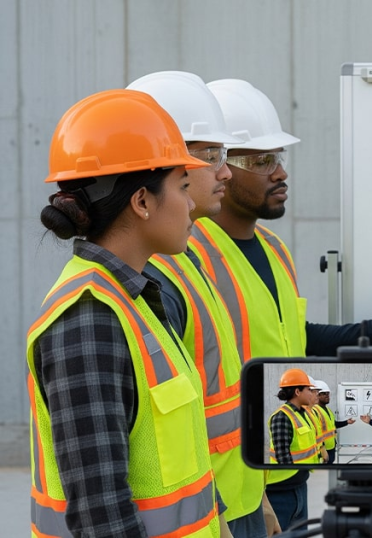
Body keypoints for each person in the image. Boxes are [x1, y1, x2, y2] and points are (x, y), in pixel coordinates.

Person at [195, 78, 372, 523]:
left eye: (279, 157)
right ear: (219, 166)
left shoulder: (273, 248)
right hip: (234, 490)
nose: (280, 172)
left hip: (285, 480)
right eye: (261, 160)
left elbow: (292, 340)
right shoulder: (189, 256)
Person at [27, 89, 223, 536]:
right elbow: (102, 514)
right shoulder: (89, 319)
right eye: (183, 187)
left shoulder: (135, 296)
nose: (192, 204)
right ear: (142, 201)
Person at [128, 70, 279, 538]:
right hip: (208, 516)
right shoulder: (153, 278)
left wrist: (259, 499)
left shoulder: (184, 258)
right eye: (212, 154)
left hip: (236, 501)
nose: (226, 171)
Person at [267, 369, 319, 531]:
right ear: (297, 391)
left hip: (300, 484)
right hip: (281, 490)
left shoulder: (304, 414)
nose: (312, 394)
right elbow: (283, 456)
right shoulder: (282, 417)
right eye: (309, 390)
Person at [309, 379, 354, 464]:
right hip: (323, 449)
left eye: (328, 393)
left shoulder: (328, 410)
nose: (327, 396)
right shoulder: (315, 411)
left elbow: (333, 424)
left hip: (331, 447)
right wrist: (322, 449)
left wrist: (346, 422)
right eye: (324, 394)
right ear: (317, 395)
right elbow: (316, 432)